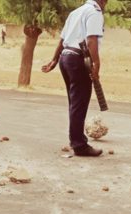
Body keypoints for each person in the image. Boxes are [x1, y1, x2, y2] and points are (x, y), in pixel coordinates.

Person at [41, 0, 107, 157]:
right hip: (78, 59)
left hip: (66, 58)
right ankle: (79, 145)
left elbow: (62, 40)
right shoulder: (94, 13)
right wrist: (96, 63)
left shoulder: (76, 12)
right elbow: (91, 40)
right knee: (79, 102)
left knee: (75, 102)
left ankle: (77, 140)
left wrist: (54, 60)